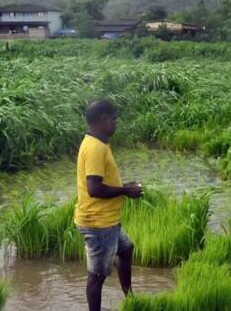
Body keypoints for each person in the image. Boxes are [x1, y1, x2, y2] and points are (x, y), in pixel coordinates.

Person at [73, 100, 143, 311]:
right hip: (98, 224)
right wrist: (125, 191)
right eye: (114, 119)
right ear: (104, 120)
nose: (116, 123)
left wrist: (124, 186)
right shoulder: (95, 148)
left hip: (107, 221)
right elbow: (94, 188)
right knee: (97, 277)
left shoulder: (98, 143)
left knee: (126, 249)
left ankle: (130, 299)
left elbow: (101, 182)